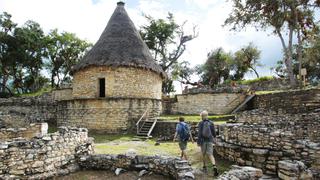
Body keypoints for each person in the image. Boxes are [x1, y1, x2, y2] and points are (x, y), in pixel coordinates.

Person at [197, 110, 219, 176]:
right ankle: (214, 166)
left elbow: (200, 133)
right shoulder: (211, 123)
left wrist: (198, 142)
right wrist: (214, 139)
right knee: (210, 154)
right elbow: (214, 133)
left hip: (203, 141)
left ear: (202, 116)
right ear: (207, 115)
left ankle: (204, 167)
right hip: (210, 140)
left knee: (203, 154)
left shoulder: (200, 123)